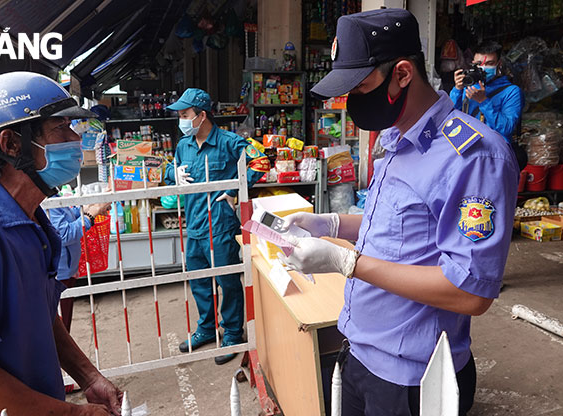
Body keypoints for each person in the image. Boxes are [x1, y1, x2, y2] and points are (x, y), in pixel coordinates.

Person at [280, 9, 518, 415]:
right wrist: (331, 223)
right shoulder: (396, 138)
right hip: (358, 352)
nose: (353, 100)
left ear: (403, 73)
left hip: (413, 379)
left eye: (361, 86)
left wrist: (345, 262)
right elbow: (395, 226)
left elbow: (470, 291)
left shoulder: (474, 157)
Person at [0, 72, 122, 415]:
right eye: (60, 129)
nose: (75, 139)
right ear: (11, 144)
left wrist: (88, 378)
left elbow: (38, 316)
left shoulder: (31, 221)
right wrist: (74, 414)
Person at [164, 88, 269, 365]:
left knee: (227, 281)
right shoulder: (183, 145)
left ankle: (233, 333)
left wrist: (237, 190)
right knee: (199, 281)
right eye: (179, 115)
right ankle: (207, 329)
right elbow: (170, 170)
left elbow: (261, 160)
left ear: (201, 115)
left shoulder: (230, 142)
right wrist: (171, 174)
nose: (181, 120)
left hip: (220, 225)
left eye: (185, 115)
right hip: (194, 224)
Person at [49, 188, 110, 334]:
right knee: (61, 328)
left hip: (66, 270)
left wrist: (87, 208)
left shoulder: (52, 194)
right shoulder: (46, 200)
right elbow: (63, 235)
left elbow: (67, 217)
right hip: (59, 274)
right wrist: (90, 216)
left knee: (63, 323)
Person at [449, 41, 524, 145]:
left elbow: (507, 128)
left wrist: (483, 101)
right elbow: (450, 117)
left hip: (494, 150)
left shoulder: (511, 91)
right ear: (473, 63)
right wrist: (457, 89)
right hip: (467, 146)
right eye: (479, 64)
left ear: (499, 64)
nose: (483, 68)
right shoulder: (468, 85)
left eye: (489, 63)